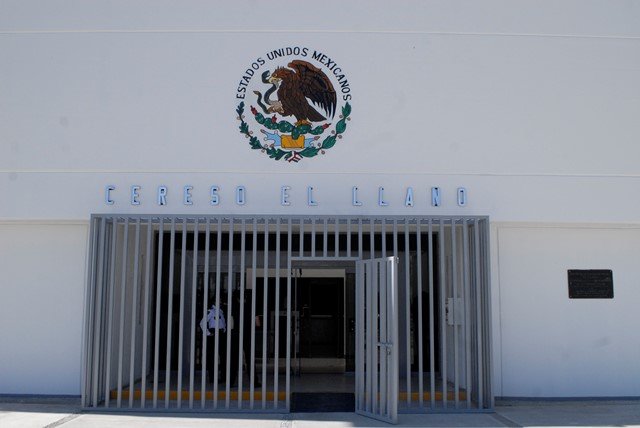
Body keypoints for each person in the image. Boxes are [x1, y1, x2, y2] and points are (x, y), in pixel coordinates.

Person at [200, 302, 226, 383]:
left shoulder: (221, 311)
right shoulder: (210, 311)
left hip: (221, 334)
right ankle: (212, 378)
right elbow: (202, 323)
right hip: (213, 334)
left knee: (223, 356)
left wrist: (224, 330)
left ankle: (223, 377)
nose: (221, 302)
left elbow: (223, 323)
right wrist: (208, 333)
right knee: (212, 357)